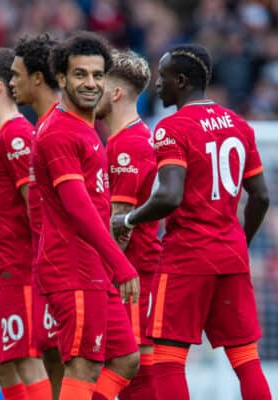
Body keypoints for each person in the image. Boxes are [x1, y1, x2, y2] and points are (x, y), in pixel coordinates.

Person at [112, 44, 272, 400]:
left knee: (169, 359)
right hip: (230, 255)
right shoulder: (239, 125)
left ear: (181, 81)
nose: (156, 85)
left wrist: (130, 219)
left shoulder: (172, 129)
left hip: (187, 257)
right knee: (246, 360)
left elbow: (169, 196)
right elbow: (260, 196)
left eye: (162, 76)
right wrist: (239, 242)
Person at [32, 32, 140, 399]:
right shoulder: (61, 132)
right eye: (80, 74)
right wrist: (121, 264)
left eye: (97, 75)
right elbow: (77, 207)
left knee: (126, 359)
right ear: (61, 78)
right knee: (83, 366)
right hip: (73, 267)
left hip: (93, 267)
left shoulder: (86, 128)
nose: (91, 83)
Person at [0, 47, 51, 400]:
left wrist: (41, 269)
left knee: (28, 361)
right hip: (3, 273)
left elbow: (37, 208)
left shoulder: (17, 135)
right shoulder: (2, 136)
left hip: (21, 273)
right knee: (1, 363)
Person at [95, 49, 161, 399]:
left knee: (131, 370)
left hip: (130, 277)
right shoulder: (125, 140)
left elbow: (119, 227)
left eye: (98, 82)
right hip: (134, 274)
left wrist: (96, 276)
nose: (91, 88)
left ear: (116, 92)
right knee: (134, 372)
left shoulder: (129, 147)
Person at [10, 32, 64, 400]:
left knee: (67, 361)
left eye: (16, 74)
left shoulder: (58, 128)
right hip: (46, 266)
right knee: (51, 359)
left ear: (38, 79)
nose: (10, 82)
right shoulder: (41, 128)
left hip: (64, 267)